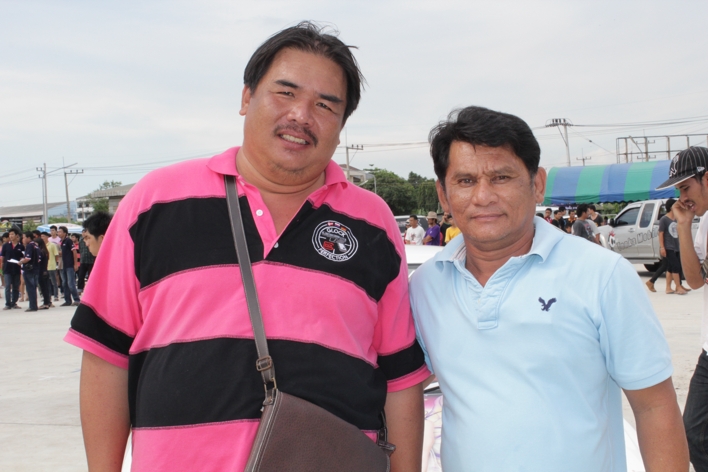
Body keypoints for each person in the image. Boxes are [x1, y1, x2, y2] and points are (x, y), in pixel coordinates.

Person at [63, 22, 428, 472]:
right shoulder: (155, 203)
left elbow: (400, 379)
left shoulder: (373, 223)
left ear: (341, 125)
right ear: (246, 97)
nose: (301, 115)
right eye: (285, 93)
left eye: (325, 105)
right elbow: (106, 356)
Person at [410, 105, 688, 471]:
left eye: (501, 177)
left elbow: (654, 407)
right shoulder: (424, 286)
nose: (483, 196)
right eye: (465, 181)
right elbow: (403, 389)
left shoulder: (602, 276)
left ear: (537, 184)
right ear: (444, 195)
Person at [656, 146, 708, 471]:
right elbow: (696, 280)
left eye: (686, 187)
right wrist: (685, 226)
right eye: (678, 190)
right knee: (693, 435)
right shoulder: (705, 222)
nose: (682, 197)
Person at [1, 228, 24, 310]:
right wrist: (2, 267)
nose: (10, 236)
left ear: (16, 235)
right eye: (10, 234)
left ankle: (14, 302)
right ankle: (8, 304)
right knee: (7, 286)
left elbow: (23, 257)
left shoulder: (21, 246)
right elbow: (2, 257)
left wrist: (21, 261)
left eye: (12, 234)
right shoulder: (6, 246)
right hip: (7, 269)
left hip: (16, 269)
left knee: (15, 286)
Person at [58, 226, 80, 307]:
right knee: (64, 283)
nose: (58, 233)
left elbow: (74, 251)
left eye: (60, 232)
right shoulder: (61, 242)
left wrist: (75, 264)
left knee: (71, 283)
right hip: (64, 265)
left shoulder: (68, 241)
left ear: (65, 233)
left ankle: (77, 300)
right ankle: (67, 300)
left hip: (70, 265)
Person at [19, 231, 40, 312]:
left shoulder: (29, 246)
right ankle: (34, 305)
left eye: (24, 237)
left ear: (28, 238)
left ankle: (32, 306)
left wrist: (21, 261)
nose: (23, 239)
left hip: (29, 270)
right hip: (35, 269)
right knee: (33, 287)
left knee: (30, 288)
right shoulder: (35, 245)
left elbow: (28, 258)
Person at [34, 236, 53, 309]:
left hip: (41, 271)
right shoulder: (45, 251)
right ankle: (48, 302)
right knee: (45, 287)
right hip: (45, 270)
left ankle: (46, 303)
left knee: (43, 288)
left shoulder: (40, 251)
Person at [41, 232, 60, 301]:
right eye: (41, 236)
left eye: (43, 236)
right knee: (46, 283)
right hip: (44, 267)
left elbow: (56, 255)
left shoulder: (52, 245)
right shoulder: (41, 246)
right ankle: (48, 296)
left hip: (51, 266)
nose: (42, 238)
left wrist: (55, 263)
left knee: (53, 282)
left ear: (47, 237)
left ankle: (55, 295)